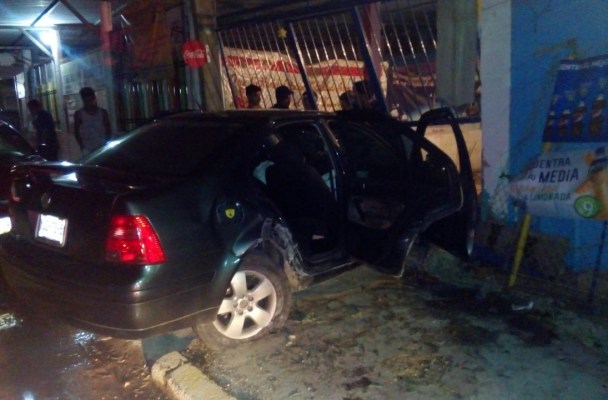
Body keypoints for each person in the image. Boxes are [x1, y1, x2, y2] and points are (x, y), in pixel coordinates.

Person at [74, 87, 111, 155]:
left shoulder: (102, 112)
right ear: (83, 99)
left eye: (90, 98)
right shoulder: (79, 114)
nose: (88, 101)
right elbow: (76, 132)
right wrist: (82, 147)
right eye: (85, 98)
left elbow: (108, 130)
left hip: (102, 147)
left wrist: (106, 144)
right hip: (87, 149)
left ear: (94, 97)